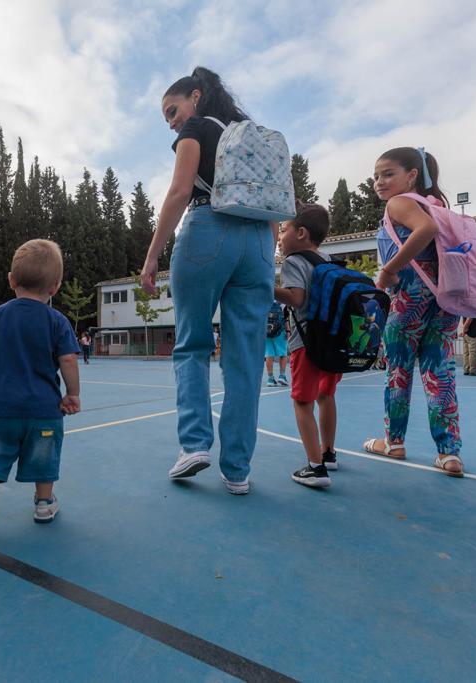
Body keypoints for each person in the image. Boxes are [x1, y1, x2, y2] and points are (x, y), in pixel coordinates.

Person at [140, 67, 275, 495]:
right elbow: (274, 206)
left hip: (208, 228)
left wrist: (152, 255)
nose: (171, 120)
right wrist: (266, 256)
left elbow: (181, 190)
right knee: (246, 359)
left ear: (195, 97)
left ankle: (195, 445)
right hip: (258, 240)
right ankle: (237, 469)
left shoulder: (198, 128)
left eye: (172, 110)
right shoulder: (251, 136)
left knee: (192, 343)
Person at [0, 240, 81, 535]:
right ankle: (44, 502)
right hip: (44, 411)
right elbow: (68, 360)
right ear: (56, 287)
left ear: (11, 280)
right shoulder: (58, 321)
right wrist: (72, 394)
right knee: (44, 456)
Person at [361, 147, 464, 477]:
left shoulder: (401, 203)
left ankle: (394, 441)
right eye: (376, 176)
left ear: (412, 175)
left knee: (398, 373)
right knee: (440, 375)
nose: (379, 182)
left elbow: (425, 230)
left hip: (409, 301)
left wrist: (388, 269)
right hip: (444, 301)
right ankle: (449, 453)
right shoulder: (437, 206)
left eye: (388, 174)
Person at [275, 203, 340, 488]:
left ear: (300, 233)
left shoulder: (293, 261)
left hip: (305, 342)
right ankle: (328, 453)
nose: (279, 237)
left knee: (303, 402)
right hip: (333, 342)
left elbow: (296, 298)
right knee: (326, 396)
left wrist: (263, 284)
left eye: (283, 230)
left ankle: (315, 468)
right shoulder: (329, 260)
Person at [264, 301, 289, 387]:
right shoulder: (282, 303)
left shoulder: (264, 300)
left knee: (269, 354)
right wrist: (288, 331)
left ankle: (270, 378)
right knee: (283, 353)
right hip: (279, 331)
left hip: (266, 331)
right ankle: (282, 376)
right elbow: (286, 318)